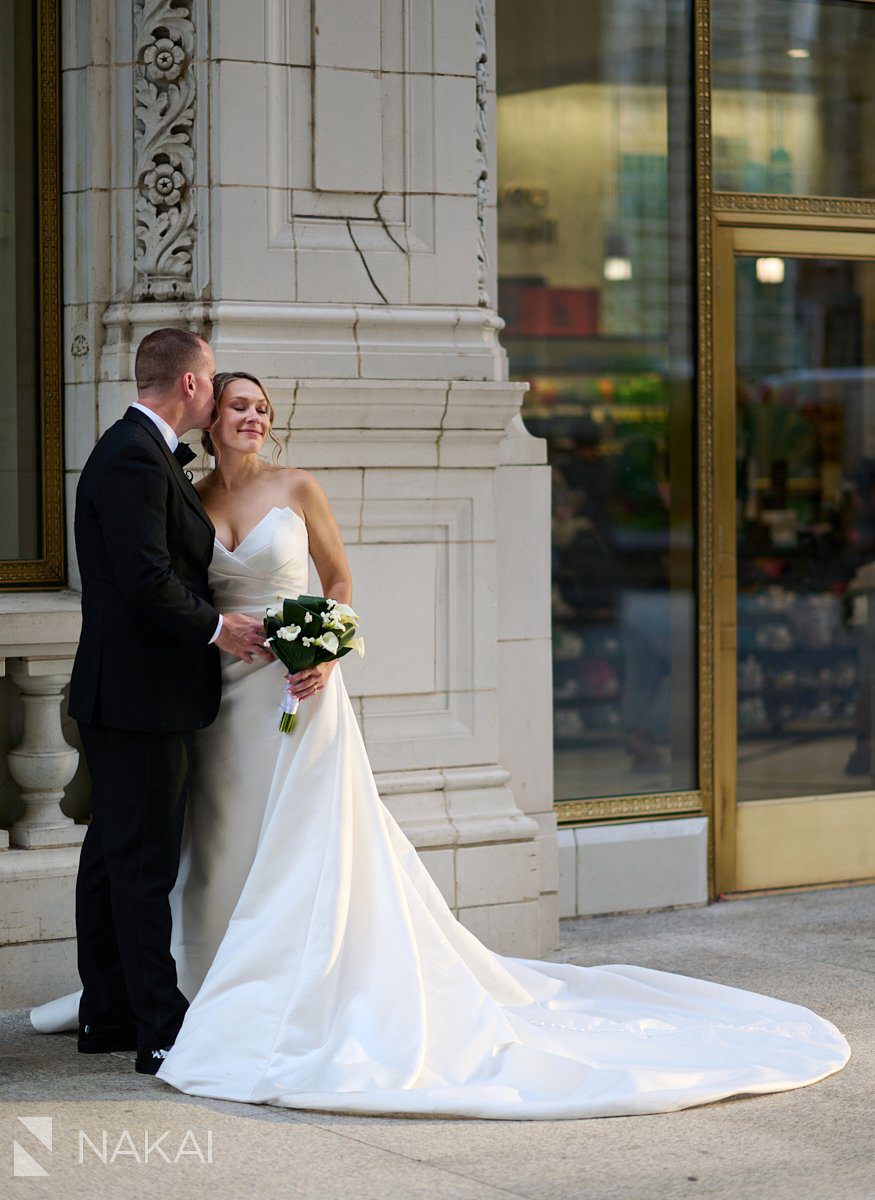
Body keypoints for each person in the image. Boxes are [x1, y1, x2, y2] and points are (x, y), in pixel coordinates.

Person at [33, 370, 850, 1119]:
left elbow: (341, 580)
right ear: (210, 418)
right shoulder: (188, 496)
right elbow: (167, 588)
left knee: (303, 838)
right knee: (215, 838)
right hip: (220, 700)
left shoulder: (299, 486)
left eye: (261, 409)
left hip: (298, 689)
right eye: (236, 406)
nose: (249, 417)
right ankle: (205, 980)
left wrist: (325, 643)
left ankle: (297, 982)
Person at [65, 332, 269, 1076]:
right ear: (189, 382)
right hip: (140, 698)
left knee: (113, 858)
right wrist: (221, 628)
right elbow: (147, 578)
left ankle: (109, 1012)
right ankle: (158, 1028)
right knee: (143, 864)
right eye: (214, 382)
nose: (217, 397)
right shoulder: (130, 456)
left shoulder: (140, 452)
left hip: (131, 695)